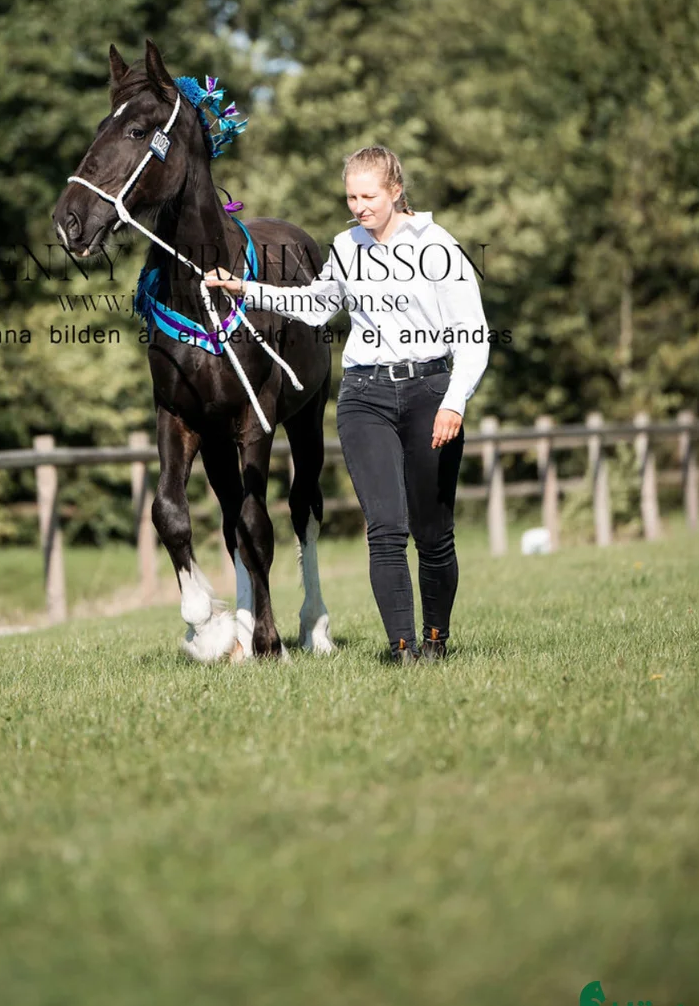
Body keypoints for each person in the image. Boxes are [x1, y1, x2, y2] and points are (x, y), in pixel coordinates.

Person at [202, 145, 489, 665]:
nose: (359, 206)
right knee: (384, 529)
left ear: (395, 190)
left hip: (430, 393)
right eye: (351, 196)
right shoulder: (347, 245)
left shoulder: (438, 247)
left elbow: (474, 335)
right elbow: (315, 305)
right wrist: (244, 288)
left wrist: (455, 402)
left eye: (368, 196)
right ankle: (402, 649)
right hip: (365, 396)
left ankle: (435, 641)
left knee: (433, 534)